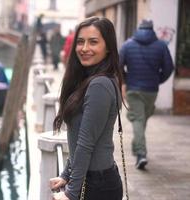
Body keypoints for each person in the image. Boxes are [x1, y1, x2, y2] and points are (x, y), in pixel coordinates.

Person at [49, 16, 124, 200]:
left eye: (93, 42)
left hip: (98, 186)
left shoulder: (99, 84)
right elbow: (76, 140)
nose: (84, 48)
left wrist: (71, 194)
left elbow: (85, 144)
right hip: (92, 180)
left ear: (108, 48)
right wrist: (66, 174)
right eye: (80, 42)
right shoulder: (86, 80)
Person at [119, 19, 174, 170]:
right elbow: (169, 67)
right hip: (151, 89)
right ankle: (141, 153)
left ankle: (138, 148)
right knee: (140, 117)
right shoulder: (161, 45)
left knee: (140, 117)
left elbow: (117, 65)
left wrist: (124, 81)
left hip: (133, 88)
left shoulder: (127, 45)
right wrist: (158, 79)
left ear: (139, 29)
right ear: (152, 29)